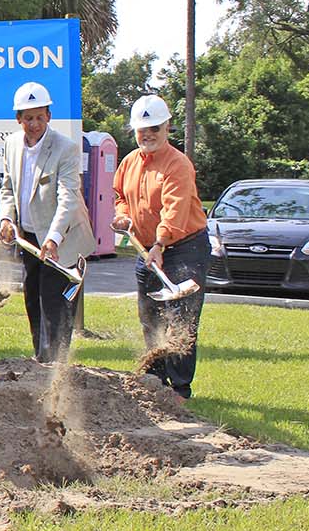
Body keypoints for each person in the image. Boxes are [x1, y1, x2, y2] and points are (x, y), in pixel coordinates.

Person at [111, 95, 209, 401]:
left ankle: (180, 391)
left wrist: (160, 243)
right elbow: (120, 196)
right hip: (147, 249)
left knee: (181, 318)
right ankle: (154, 383)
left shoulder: (178, 164)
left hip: (184, 247)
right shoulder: (129, 162)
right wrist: (123, 216)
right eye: (142, 129)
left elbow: (174, 211)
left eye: (154, 127)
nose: (148, 134)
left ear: (167, 126)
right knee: (150, 317)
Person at [0, 82, 96, 363]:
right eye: (28, 118)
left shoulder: (65, 149)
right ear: (18, 119)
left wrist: (53, 237)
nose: (34, 124)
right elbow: (7, 187)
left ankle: (55, 368)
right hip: (28, 239)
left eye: (40, 117)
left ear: (49, 116)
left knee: (55, 306)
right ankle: (41, 362)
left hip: (62, 241)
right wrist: (7, 218)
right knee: (33, 301)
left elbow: (68, 199)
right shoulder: (12, 144)